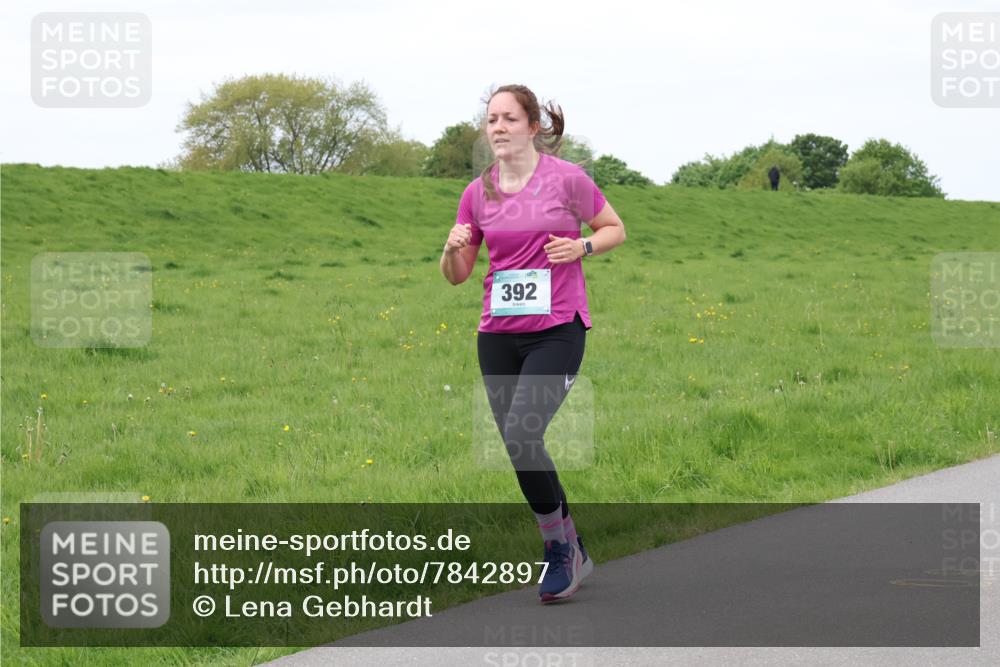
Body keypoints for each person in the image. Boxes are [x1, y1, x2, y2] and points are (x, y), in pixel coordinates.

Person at [440, 84, 626, 603]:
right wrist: (450, 249)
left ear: (532, 126)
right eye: (491, 120)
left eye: (508, 119)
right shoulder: (478, 192)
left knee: (523, 433)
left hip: (557, 328)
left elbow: (614, 228)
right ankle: (574, 545)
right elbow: (457, 274)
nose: (497, 127)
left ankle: (557, 551)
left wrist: (582, 245)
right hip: (497, 335)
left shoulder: (567, 181)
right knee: (521, 446)